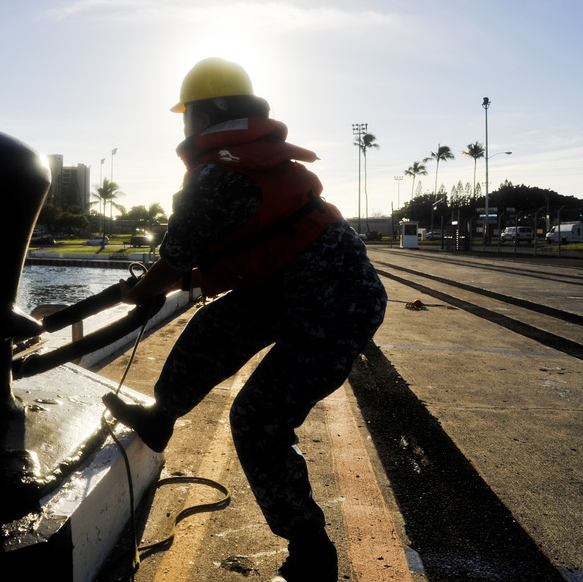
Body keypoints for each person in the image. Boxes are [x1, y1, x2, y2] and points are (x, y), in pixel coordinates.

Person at [102, 58, 387, 582]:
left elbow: (174, 260)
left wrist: (136, 293)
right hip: (290, 287)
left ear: (204, 115)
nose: (185, 126)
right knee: (212, 329)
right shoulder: (243, 161)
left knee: (258, 419)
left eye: (188, 115)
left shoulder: (218, 174)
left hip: (337, 304)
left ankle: (311, 555)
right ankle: (161, 416)